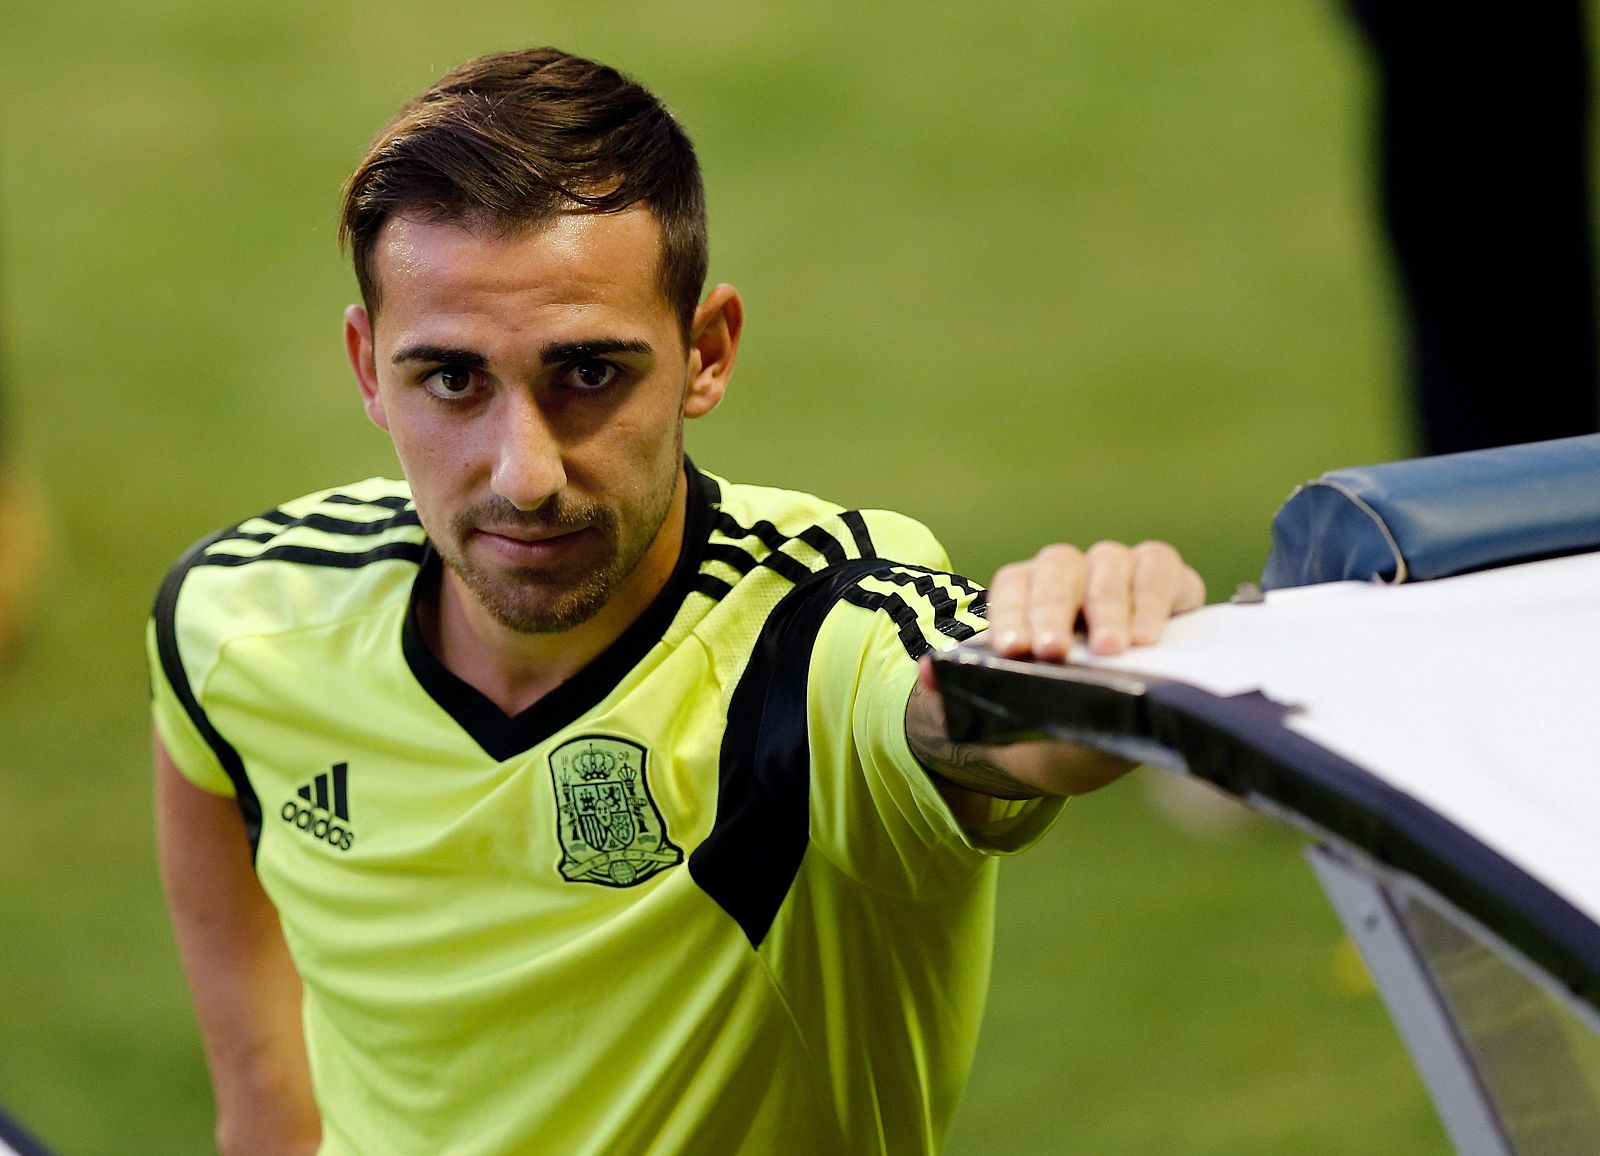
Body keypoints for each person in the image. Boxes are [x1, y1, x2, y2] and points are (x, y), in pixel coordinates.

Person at [149, 48, 1205, 1156]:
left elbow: (991, 725)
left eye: (589, 374)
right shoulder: (240, 617)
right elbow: (255, 1049)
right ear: (370, 370)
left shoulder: (806, 635)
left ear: (705, 353)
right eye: (452, 379)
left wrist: (1089, 651)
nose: (525, 473)